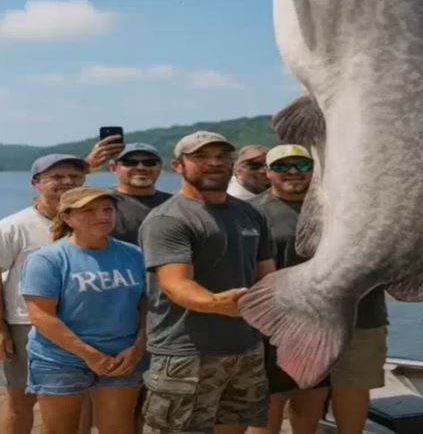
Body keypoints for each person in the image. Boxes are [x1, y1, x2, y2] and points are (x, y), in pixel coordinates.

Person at [138, 131, 275, 434]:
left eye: (221, 156)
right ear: (178, 166)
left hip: (246, 348)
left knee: (234, 427)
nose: (213, 163)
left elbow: (267, 276)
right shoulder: (168, 219)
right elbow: (176, 285)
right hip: (186, 353)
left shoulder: (250, 214)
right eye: (200, 156)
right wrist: (219, 304)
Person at [248, 145, 388, 434]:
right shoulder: (252, 213)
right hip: (286, 323)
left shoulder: (351, 204)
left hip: (358, 316)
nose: (293, 172)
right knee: (275, 398)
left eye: (302, 165)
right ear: (267, 172)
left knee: (339, 390)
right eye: (282, 166)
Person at [20, 186, 146, 434]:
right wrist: (90, 355)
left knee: (119, 428)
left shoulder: (133, 254)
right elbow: (41, 316)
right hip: (60, 358)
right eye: (88, 211)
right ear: (66, 217)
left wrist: (137, 348)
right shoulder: (47, 259)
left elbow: (146, 305)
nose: (101, 216)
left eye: (107, 209)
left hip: (121, 355)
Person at [0, 154, 90, 434]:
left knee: (80, 399)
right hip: (25, 323)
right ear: (36, 183)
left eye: (74, 177)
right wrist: (1, 327)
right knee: (20, 400)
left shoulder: (90, 221)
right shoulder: (12, 226)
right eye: (57, 177)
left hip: (82, 323)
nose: (67, 182)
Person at [108, 143, 172, 245]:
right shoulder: (103, 204)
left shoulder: (177, 203)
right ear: (113, 168)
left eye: (150, 162)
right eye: (130, 162)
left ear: (160, 167)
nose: (141, 168)